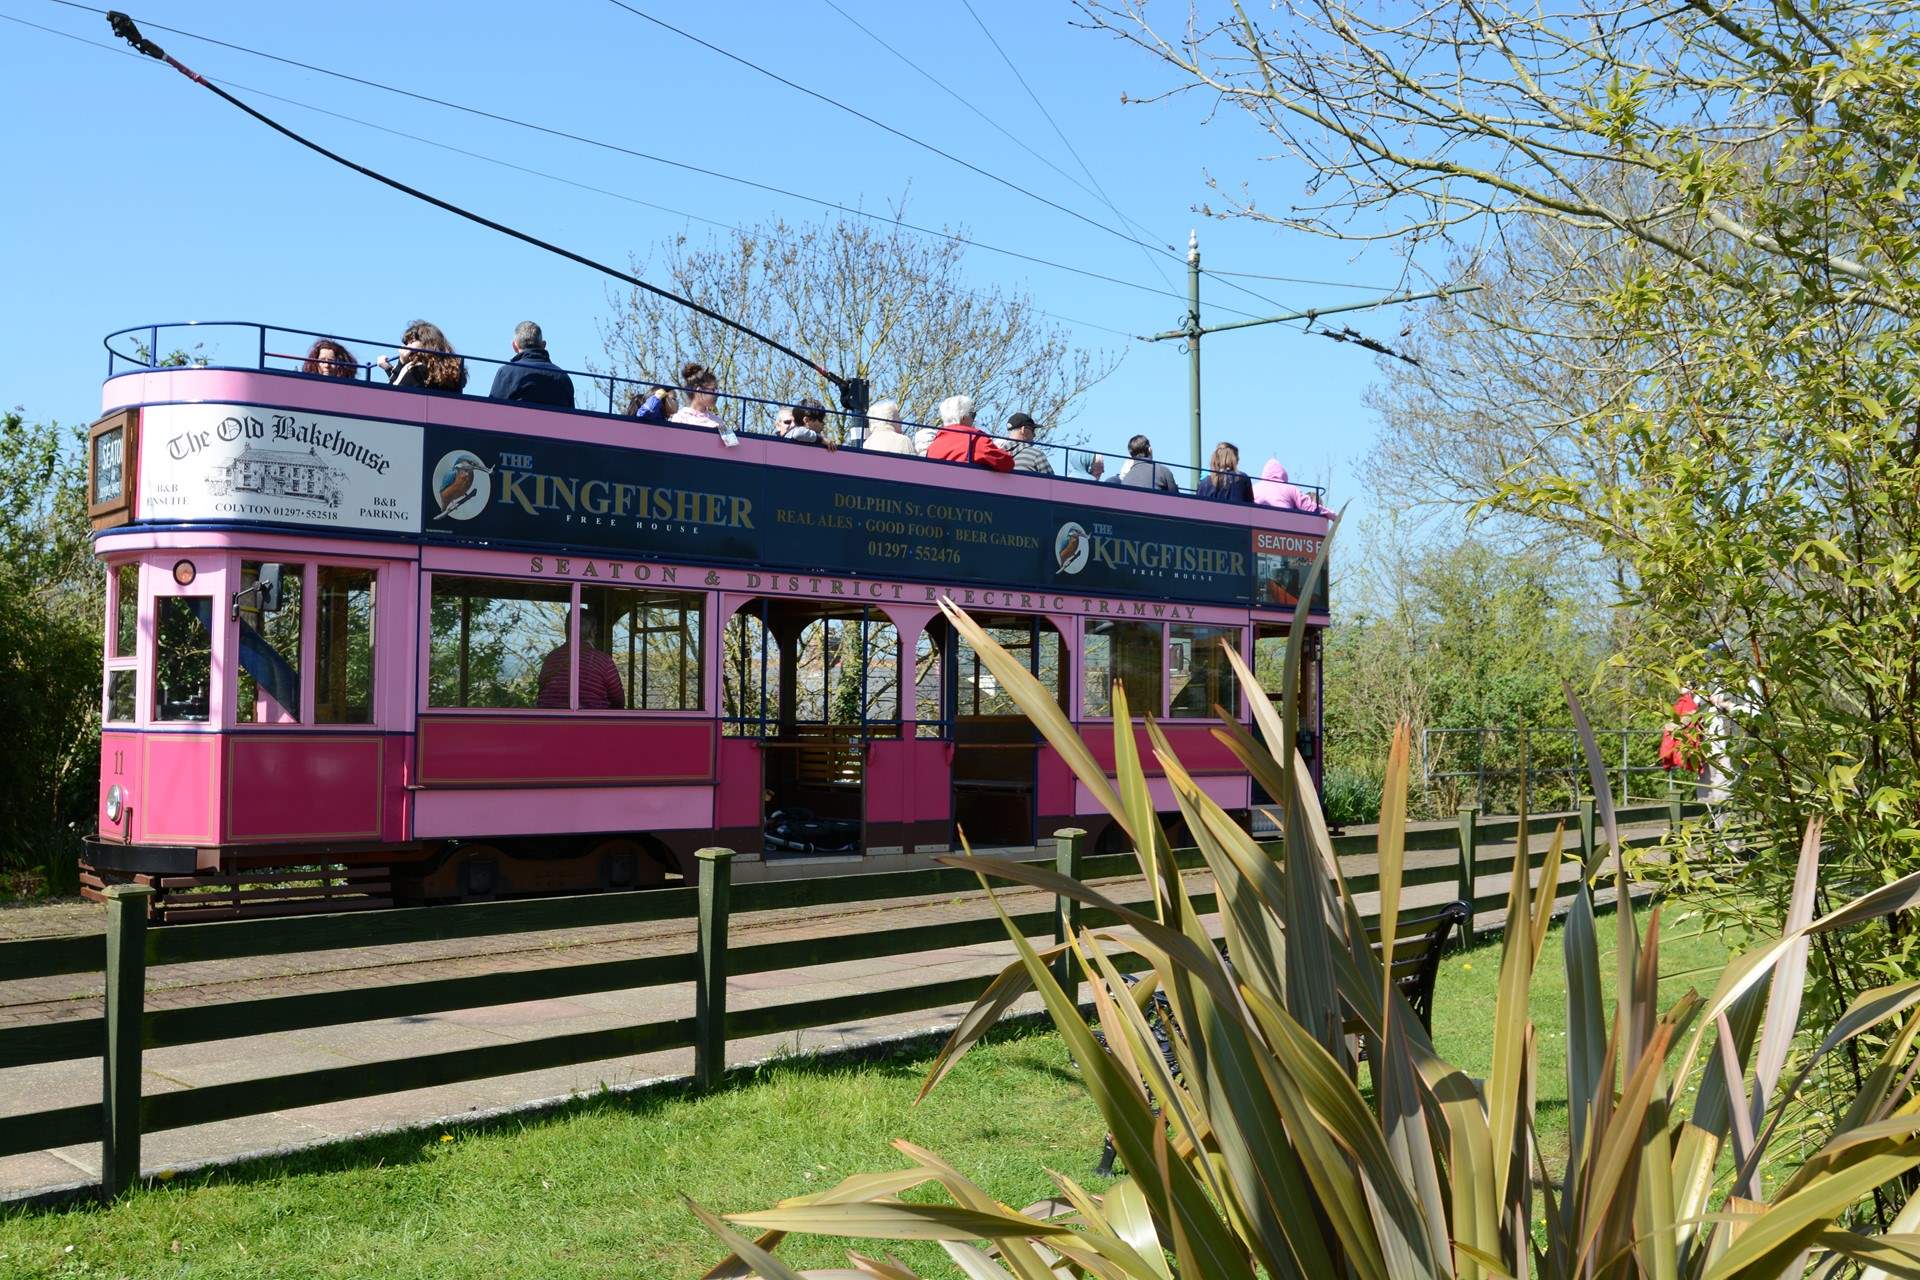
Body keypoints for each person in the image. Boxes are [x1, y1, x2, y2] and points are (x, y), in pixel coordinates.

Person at [536, 606, 625, 710]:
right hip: (590, 719)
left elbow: (541, 689)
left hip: (548, 718)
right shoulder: (603, 661)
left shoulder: (551, 658)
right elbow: (618, 701)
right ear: (593, 631)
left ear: (566, 630)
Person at [486, 320, 575, 408]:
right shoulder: (563, 377)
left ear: (514, 346)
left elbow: (492, 409)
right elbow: (572, 415)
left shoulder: (506, 373)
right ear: (543, 345)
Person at [925, 394, 1014, 471]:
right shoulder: (975, 440)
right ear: (963, 417)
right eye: (973, 415)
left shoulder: (933, 445)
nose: (974, 419)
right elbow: (1006, 463)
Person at [376, 320, 467, 393]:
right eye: (406, 343)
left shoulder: (414, 368)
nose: (406, 346)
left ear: (425, 342)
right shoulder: (455, 370)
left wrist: (401, 363)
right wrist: (388, 368)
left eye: (411, 342)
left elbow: (389, 395)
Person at [1091, 435, 1178, 492]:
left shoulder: (1126, 478)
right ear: (1150, 450)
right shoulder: (1163, 471)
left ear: (1131, 455)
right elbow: (1176, 497)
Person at [1252, 458, 1332, 515]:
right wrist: (1331, 515)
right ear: (1283, 474)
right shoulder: (1291, 489)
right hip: (1284, 523)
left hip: (1256, 524)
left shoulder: (1254, 488)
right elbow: (1310, 507)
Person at [668, 362, 729, 430]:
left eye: (717, 390)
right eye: (713, 390)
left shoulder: (718, 421)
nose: (717, 394)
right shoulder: (680, 418)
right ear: (699, 390)